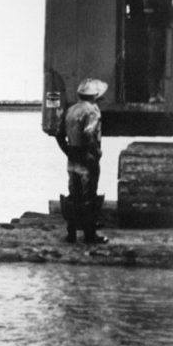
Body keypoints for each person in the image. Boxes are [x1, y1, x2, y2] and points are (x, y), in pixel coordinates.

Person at [56, 78, 109, 245]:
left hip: (72, 158)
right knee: (89, 197)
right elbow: (89, 134)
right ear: (95, 96)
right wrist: (96, 153)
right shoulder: (93, 111)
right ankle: (90, 235)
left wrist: (68, 151)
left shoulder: (70, 110)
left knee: (74, 195)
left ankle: (71, 234)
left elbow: (59, 134)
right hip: (87, 158)